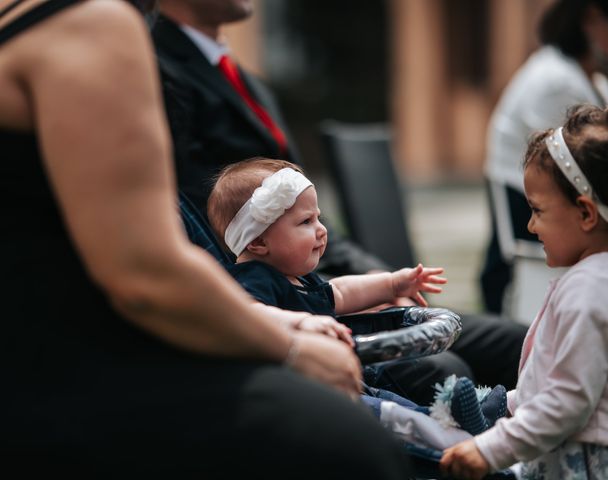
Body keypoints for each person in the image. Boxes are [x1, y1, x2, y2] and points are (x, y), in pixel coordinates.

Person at [0, 0, 413, 477]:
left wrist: (284, 323)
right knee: (352, 443)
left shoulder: (25, 20)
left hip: (42, 363)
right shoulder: (94, 22)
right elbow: (145, 274)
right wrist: (289, 346)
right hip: (57, 382)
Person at [152, 0, 528, 404]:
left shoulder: (245, 77)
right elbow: (188, 217)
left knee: (520, 340)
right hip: (283, 302)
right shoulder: (154, 71)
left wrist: (382, 280)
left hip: (330, 284)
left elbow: (310, 214)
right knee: (441, 369)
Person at [441, 103, 608, 479]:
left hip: (587, 466)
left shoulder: (590, 290)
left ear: (585, 213)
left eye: (537, 210)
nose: (531, 225)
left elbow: (566, 403)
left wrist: (488, 449)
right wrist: (501, 404)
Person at [208, 157, 453, 415]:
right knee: (391, 415)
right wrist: (300, 323)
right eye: (306, 222)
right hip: (302, 397)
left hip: (339, 380)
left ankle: (462, 413)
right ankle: (445, 425)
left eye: (318, 218)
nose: (322, 230)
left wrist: (392, 284)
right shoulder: (252, 277)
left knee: (399, 405)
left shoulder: (298, 276)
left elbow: (341, 291)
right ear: (258, 242)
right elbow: (250, 313)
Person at [480, 0, 608, 314]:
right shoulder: (556, 81)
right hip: (523, 184)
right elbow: (582, 162)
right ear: (592, 19)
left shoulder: (595, 80)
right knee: (513, 274)